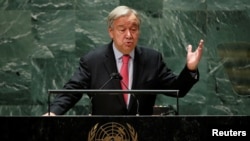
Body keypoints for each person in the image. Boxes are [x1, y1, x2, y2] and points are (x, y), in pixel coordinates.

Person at [44, 5, 204, 116]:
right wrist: (54, 112)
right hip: (105, 133)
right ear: (111, 32)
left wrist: (190, 69)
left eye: (133, 29)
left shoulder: (152, 59)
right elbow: (72, 92)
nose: (129, 35)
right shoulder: (93, 60)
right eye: (122, 29)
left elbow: (177, 90)